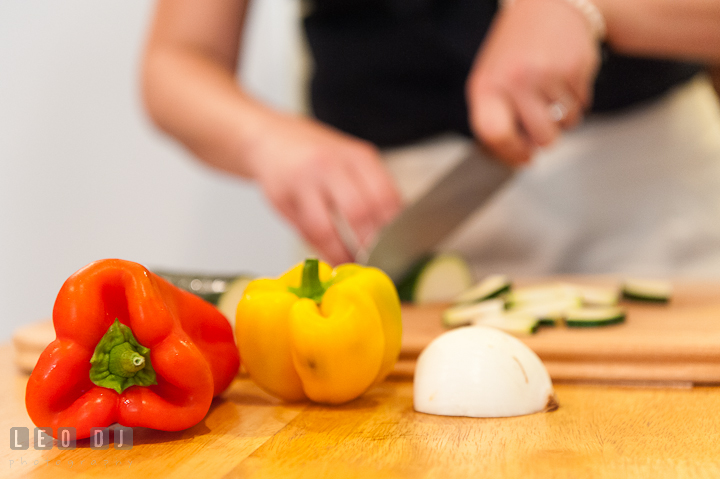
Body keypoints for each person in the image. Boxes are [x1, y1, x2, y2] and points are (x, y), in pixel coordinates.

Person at [142, 0, 720, 277]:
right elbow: (175, 60)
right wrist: (267, 139)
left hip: (659, 211)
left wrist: (587, 8)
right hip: (396, 223)